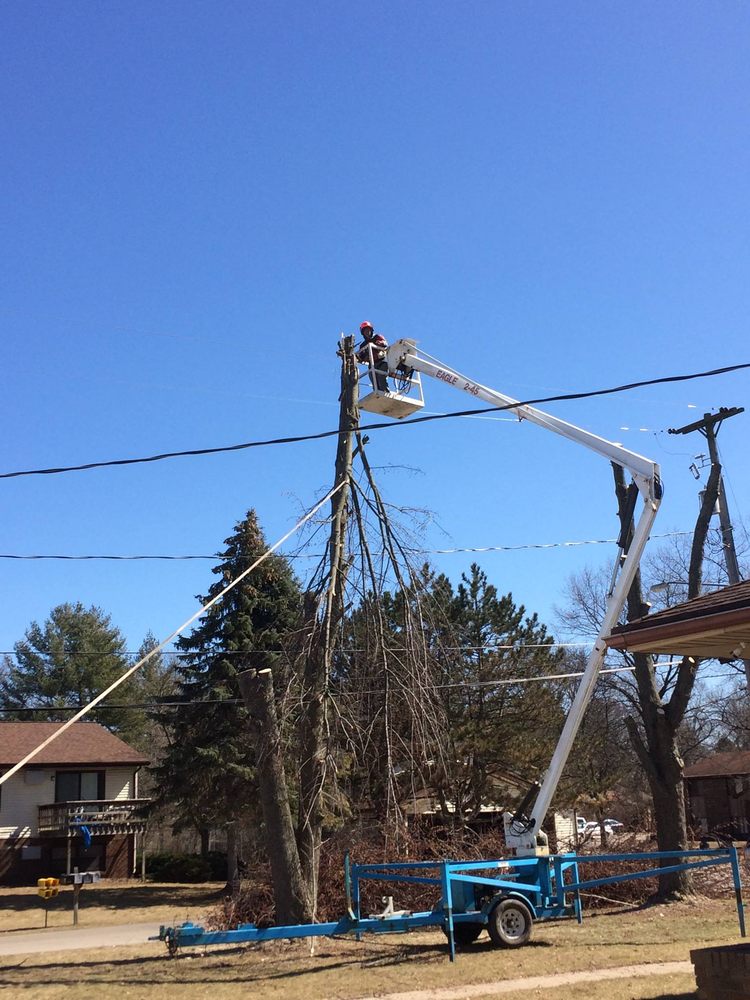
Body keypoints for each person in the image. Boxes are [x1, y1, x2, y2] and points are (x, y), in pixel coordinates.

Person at [356, 321, 389, 392]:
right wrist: (357, 357)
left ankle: (385, 391)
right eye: (365, 331)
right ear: (363, 333)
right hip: (372, 365)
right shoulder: (363, 345)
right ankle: (378, 395)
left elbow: (385, 343)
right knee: (374, 382)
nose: (367, 332)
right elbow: (361, 356)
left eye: (368, 330)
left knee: (381, 378)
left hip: (382, 361)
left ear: (371, 330)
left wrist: (379, 343)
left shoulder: (377, 337)